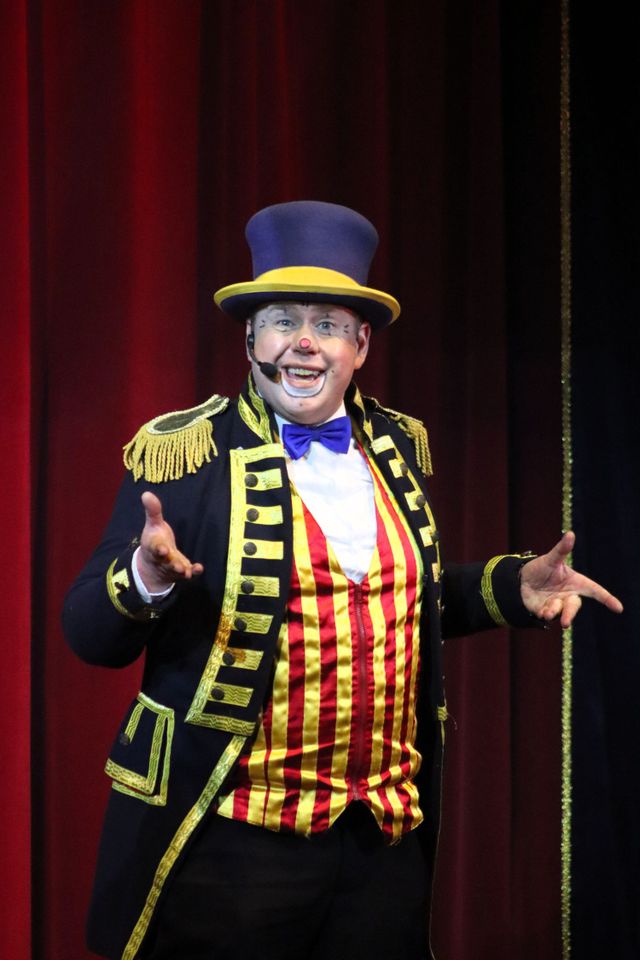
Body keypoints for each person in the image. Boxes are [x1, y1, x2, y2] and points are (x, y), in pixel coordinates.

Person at [63, 201, 622, 960]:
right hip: (231, 846)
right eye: (282, 321)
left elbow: (399, 604)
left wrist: (510, 588)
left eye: (327, 324)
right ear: (251, 339)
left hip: (378, 848)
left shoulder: (396, 447)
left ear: (360, 346)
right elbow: (88, 633)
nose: (304, 342)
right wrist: (145, 575)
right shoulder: (187, 455)